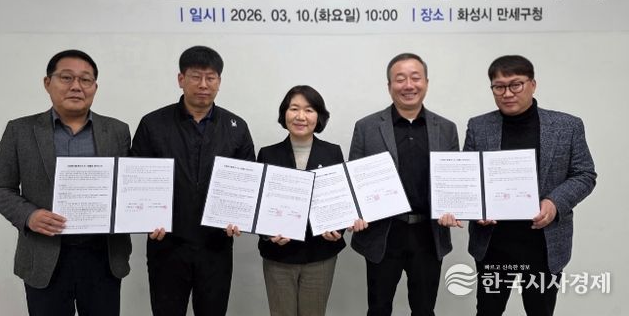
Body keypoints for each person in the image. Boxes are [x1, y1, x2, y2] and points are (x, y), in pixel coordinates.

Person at [444, 55, 596, 316]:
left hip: (544, 242)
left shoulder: (567, 126)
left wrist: (554, 202)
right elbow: (468, 178)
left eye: (516, 84)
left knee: (540, 310)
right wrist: (477, 208)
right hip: (493, 242)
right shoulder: (479, 126)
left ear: (532, 84)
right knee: (488, 311)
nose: (507, 93)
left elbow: (584, 174)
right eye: (499, 87)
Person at [0, 50, 132, 316]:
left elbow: (128, 187)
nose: (76, 86)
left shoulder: (117, 130)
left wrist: (150, 215)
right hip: (44, 255)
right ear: (47, 83)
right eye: (66, 77)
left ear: (95, 87)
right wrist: (29, 216)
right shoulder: (20, 130)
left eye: (85, 80)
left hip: (103, 256)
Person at [131, 45, 255, 316]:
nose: (203, 85)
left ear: (219, 81)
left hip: (216, 246)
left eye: (210, 78)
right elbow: (136, 181)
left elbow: (247, 184)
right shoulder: (153, 124)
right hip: (167, 245)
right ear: (181, 79)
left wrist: (240, 217)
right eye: (196, 77)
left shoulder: (236, 127)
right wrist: (143, 218)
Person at [349, 53, 459, 316]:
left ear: (426, 83)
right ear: (389, 86)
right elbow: (354, 179)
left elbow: (455, 181)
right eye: (400, 79)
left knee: (424, 310)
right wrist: (355, 211)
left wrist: (454, 207)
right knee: (378, 309)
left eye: (415, 78)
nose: (408, 85)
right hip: (383, 234)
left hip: (428, 234)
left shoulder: (446, 128)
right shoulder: (366, 127)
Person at [255, 85, 346, 316]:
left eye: (309, 110)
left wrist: (338, 228)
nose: (301, 116)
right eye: (294, 108)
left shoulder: (333, 153)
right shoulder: (267, 154)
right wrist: (267, 233)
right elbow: (258, 206)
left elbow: (340, 200)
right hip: (278, 255)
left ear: (319, 116)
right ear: (284, 113)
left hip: (320, 254)